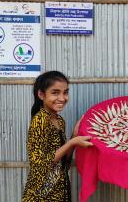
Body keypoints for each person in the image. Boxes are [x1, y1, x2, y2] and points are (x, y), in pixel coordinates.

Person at [22, 71, 93, 202]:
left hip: (59, 190)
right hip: (42, 194)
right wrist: (72, 142)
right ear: (41, 94)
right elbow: (40, 164)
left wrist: (74, 135)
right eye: (55, 93)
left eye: (65, 92)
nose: (62, 98)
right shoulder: (40, 120)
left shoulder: (59, 121)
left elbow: (64, 160)